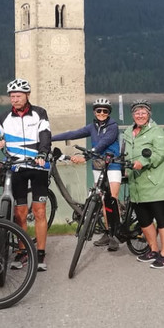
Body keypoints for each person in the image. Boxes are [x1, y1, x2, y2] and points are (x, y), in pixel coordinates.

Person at [0, 79, 52, 272]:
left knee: (39, 211)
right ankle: (23, 251)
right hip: (16, 168)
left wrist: (42, 153)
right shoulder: (4, 117)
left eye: (18, 96)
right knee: (19, 214)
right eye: (12, 96)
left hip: (38, 166)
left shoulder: (39, 113)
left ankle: (40, 253)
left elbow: (45, 135)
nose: (15, 99)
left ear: (27, 95)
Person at [52, 97, 122, 252]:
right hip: (98, 166)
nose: (102, 113)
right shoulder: (92, 127)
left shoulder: (113, 127)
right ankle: (108, 232)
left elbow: (103, 143)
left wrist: (86, 156)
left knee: (112, 198)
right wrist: (49, 138)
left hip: (113, 165)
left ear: (109, 113)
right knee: (102, 200)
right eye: (99, 110)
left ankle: (115, 233)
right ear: (94, 112)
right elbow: (73, 134)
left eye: (105, 111)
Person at [122, 99, 164, 269]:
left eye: (143, 112)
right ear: (132, 115)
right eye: (137, 112)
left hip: (154, 183)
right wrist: (124, 168)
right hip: (136, 184)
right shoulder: (127, 132)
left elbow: (160, 153)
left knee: (161, 219)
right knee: (144, 220)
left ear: (149, 114)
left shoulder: (157, 131)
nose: (140, 115)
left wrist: (143, 162)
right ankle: (153, 250)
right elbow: (125, 153)